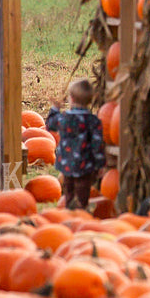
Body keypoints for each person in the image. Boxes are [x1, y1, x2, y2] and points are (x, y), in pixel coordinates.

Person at [45, 79, 106, 209]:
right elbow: (97, 144)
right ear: (90, 101)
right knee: (83, 195)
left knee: (69, 193)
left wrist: (55, 109)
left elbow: (50, 125)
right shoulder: (93, 121)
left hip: (66, 165)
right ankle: (81, 211)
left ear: (71, 99)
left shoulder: (65, 118)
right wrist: (100, 164)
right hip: (85, 166)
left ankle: (70, 212)